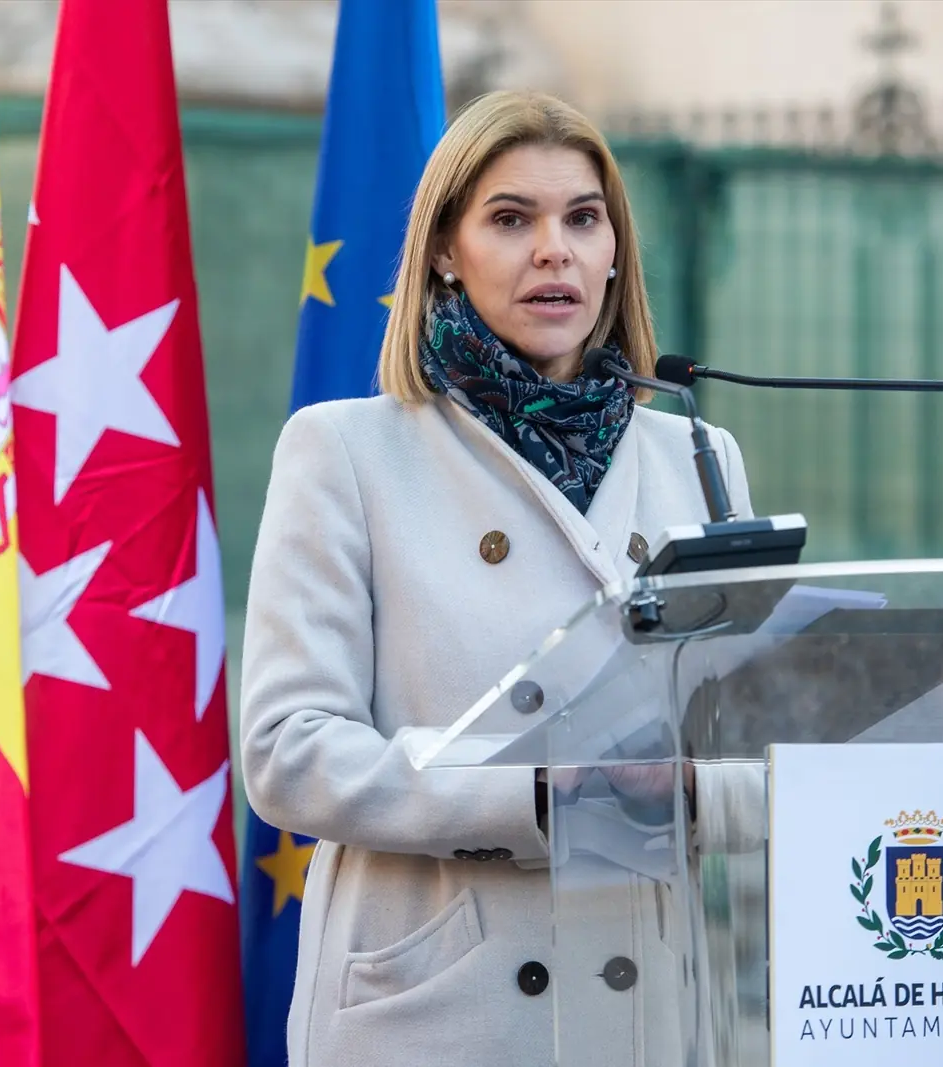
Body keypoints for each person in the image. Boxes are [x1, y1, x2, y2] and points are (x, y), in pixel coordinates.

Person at [239, 90, 755, 1066]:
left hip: (647, 1010)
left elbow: (756, 742)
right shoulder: (345, 451)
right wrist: (543, 796)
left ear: (615, 251)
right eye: (512, 219)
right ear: (445, 249)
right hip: (438, 1010)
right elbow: (288, 751)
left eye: (583, 219)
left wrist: (703, 793)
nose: (554, 250)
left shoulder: (698, 457)